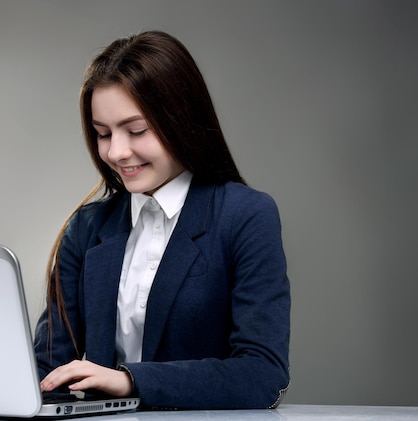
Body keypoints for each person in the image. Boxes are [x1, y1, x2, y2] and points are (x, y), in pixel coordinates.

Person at [33, 30, 290, 410]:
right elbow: (49, 370)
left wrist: (129, 382)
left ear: (181, 119)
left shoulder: (245, 215)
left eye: (137, 130)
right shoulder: (86, 229)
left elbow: (263, 373)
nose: (117, 152)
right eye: (103, 134)